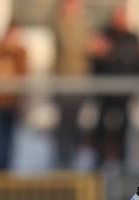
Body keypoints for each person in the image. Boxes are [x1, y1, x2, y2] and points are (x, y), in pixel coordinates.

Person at [90, 6, 139, 167]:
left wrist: (137, 85)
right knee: (101, 127)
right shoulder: (104, 35)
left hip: (125, 91)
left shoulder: (133, 38)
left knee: (124, 127)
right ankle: (99, 162)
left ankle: (123, 161)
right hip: (105, 91)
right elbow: (96, 62)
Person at [0, 22, 28, 170]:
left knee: (8, 141)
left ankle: (5, 173)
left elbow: (23, 75)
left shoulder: (20, 53)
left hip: (12, 104)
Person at [54, 0, 91, 168]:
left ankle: (73, 156)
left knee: (75, 120)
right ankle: (63, 158)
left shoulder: (82, 23)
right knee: (65, 120)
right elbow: (70, 46)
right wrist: (89, 45)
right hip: (66, 79)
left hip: (80, 80)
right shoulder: (61, 23)